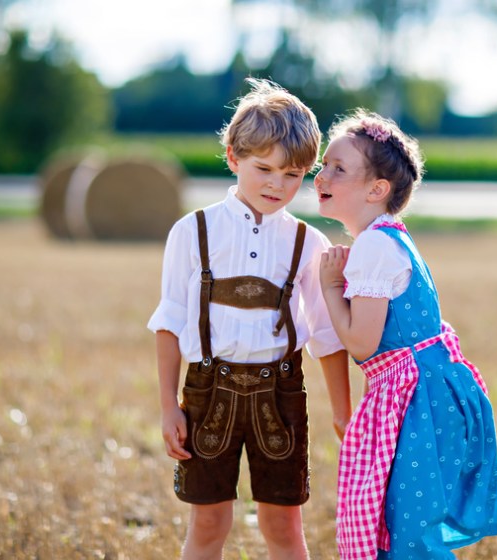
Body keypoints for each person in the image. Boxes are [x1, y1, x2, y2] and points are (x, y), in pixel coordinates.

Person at [148, 78, 351, 560]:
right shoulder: (192, 232)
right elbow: (169, 323)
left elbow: (326, 335)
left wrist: (344, 413)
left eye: (294, 175)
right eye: (265, 169)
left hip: (279, 394)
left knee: (284, 527)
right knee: (209, 522)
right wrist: (168, 406)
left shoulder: (308, 244)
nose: (277, 186)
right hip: (206, 391)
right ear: (233, 156)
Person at [315, 109, 497, 559]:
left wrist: (329, 288)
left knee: (406, 528)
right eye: (324, 164)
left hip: (416, 401)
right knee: (407, 520)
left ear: (377, 190)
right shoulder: (393, 238)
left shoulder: (374, 249)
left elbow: (361, 343)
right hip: (432, 392)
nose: (321, 175)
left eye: (338, 169)